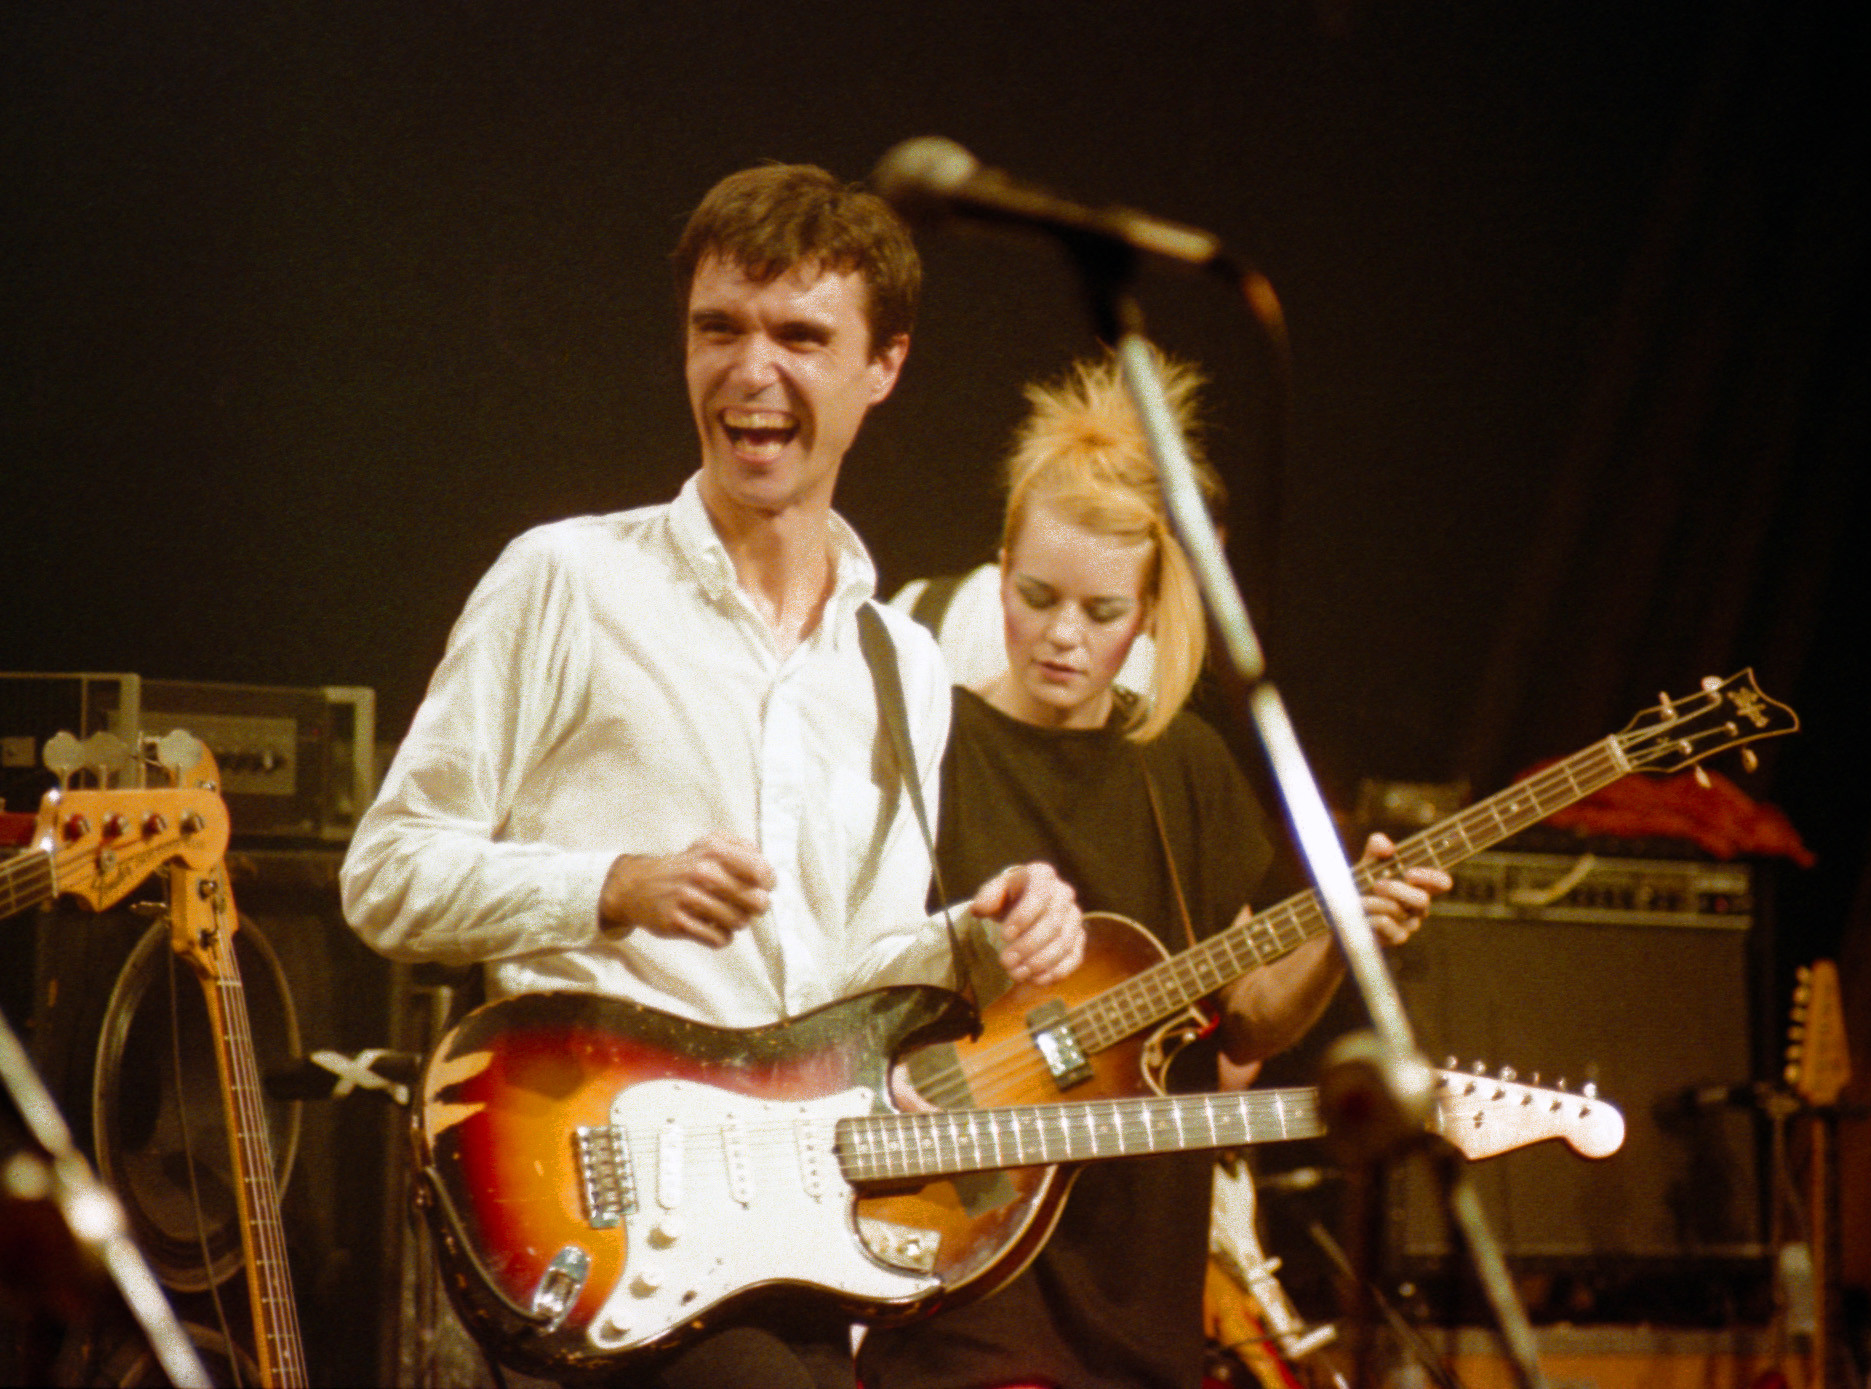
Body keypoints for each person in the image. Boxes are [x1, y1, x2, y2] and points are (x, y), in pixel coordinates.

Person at [339, 163, 1086, 1389]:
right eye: (719, 329)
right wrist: (611, 887)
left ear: (883, 368)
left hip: (783, 1242)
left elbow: (838, 991)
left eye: (801, 337)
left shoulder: (895, 662)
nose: (753, 370)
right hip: (587, 1208)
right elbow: (386, 876)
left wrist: (974, 940)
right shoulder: (567, 582)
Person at [858, 348, 1450, 1389]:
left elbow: (1249, 1023)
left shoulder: (1186, 767)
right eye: (1036, 596)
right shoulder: (931, 746)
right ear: (1000, 566)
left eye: (1099, 613)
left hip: (1144, 1293)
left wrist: (1335, 937)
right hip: (969, 1261)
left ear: (1145, 611)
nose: (1061, 637)